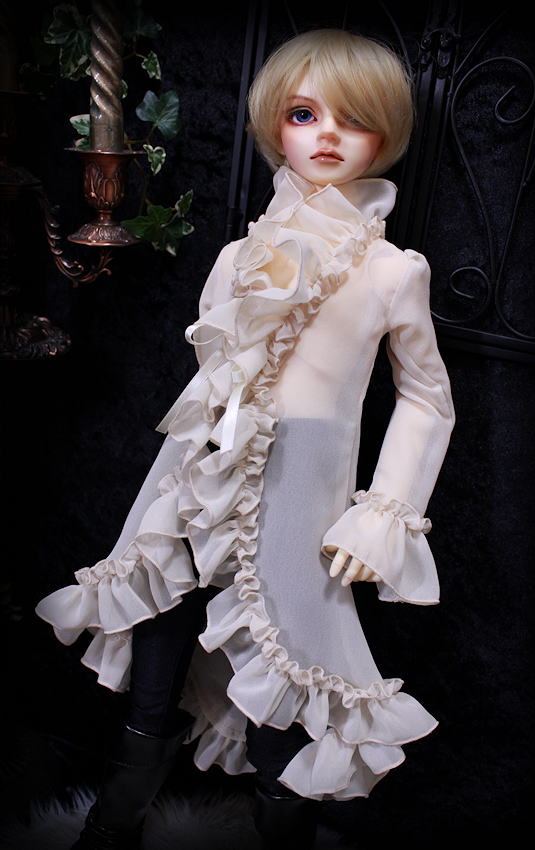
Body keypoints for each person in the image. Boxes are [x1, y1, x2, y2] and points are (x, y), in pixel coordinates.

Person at [36, 27, 455, 850]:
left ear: (385, 137)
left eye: (354, 119)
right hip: (198, 471)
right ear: (274, 125)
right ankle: (120, 808)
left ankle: (279, 818)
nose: (327, 135)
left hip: (302, 488)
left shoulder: (392, 271)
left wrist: (386, 510)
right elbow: (212, 372)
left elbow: (425, 398)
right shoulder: (237, 256)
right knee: (160, 618)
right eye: (304, 114)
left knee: (286, 657)